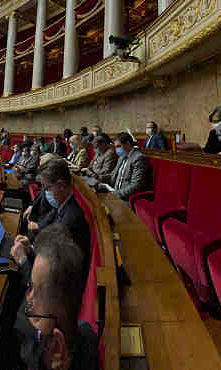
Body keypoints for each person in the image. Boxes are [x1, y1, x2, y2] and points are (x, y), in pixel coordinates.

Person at [15, 226, 99, 370]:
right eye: (31, 288)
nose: (28, 297)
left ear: (58, 350)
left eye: (35, 292)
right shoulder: (86, 333)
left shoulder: (34, 357)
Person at [16, 159, 91, 275]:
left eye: (47, 188)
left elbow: (48, 277)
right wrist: (31, 245)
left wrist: (22, 259)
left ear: (61, 185)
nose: (46, 192)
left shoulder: (70, 221)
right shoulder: (65, 206)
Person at [97, 132, 152, 201]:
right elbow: (113, 175)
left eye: (118, 146)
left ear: (128, 144)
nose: (117, 150)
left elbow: (136, 185)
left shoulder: (138, 158)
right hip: (115, 193)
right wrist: (100, 177)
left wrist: (115, 194)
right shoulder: (121, 157)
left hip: (126, 198)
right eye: (115, 147)